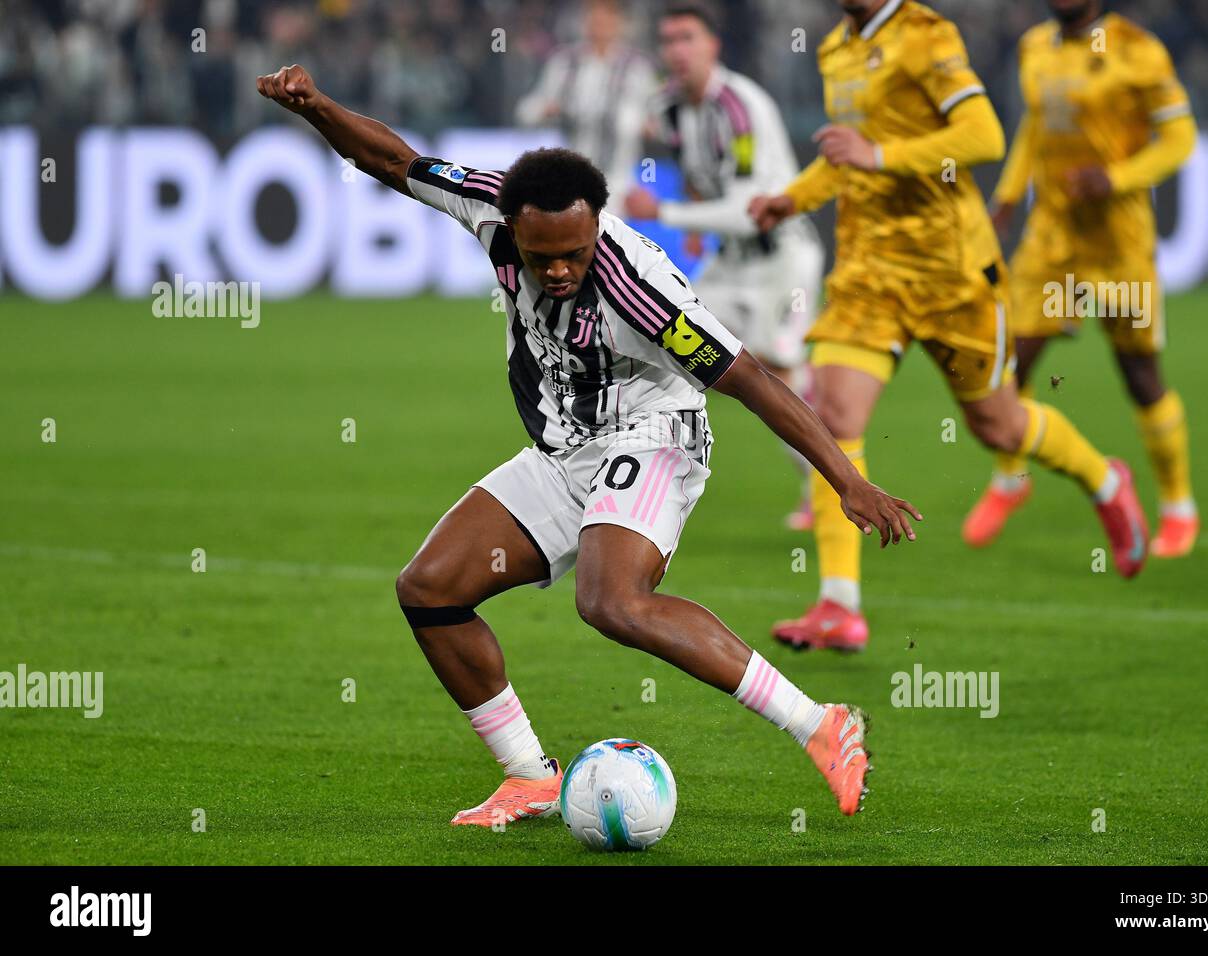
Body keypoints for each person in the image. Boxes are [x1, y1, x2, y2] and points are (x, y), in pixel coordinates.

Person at [256, 62, 923, 825]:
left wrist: (843, 478)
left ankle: (820, 724)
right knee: (430, 589)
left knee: (610, 601)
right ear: (513, 228)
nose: (562, 269)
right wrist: (315, 107)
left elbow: (752, 379)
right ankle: (530, 777)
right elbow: (391, 159)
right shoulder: (487, 205)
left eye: (576, 250)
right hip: (565, 447)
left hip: (658, 429)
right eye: (544, 258)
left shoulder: (640, 289)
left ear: (596, 225)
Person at [749, 0, 1148, 653]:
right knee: (834, 412)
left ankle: (1105, 479)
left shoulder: (926, 36)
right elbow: (848, 154)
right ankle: (838, 604)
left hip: (952, 272)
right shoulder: (834, 49)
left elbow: (984, 135)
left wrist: (881, 154)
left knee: (1000, 424)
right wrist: (794, 198)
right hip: (870, 271)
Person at [963, 0, 1200, 558]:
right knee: (1011, 363)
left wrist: (1117, 177)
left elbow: (1180, 138)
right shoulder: (1033, 46)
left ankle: (1178, 507)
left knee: (1140, 375)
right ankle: (1009, 480)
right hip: (1054, 239)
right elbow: (1035, 125)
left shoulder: (1136, 50)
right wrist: (1007, 194)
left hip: (1119, 243)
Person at [626, 4, 827, 528]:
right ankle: (633, 480)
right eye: (668, 40)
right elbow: (700, 177)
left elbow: (749, 206)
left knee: (778, 371)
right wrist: (698, 219)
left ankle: (827, 485)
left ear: (713, 46)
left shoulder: (740, 106)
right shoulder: (668, 109)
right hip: (729, 262)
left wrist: (667, 213)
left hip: (780, 258)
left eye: (688, 38)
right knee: (663, 343)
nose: (677, 50)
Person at [515, 0, 657, 217]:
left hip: (617, 180)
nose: (600, 25)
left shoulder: (637, 68)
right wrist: (545, 109)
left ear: (619, 22)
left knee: (606, 241)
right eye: (594, 17)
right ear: (583, 21)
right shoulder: (565, 62)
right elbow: (526, 112)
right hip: (567, 177)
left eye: (607, 18)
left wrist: (647, 126)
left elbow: (657, 120)